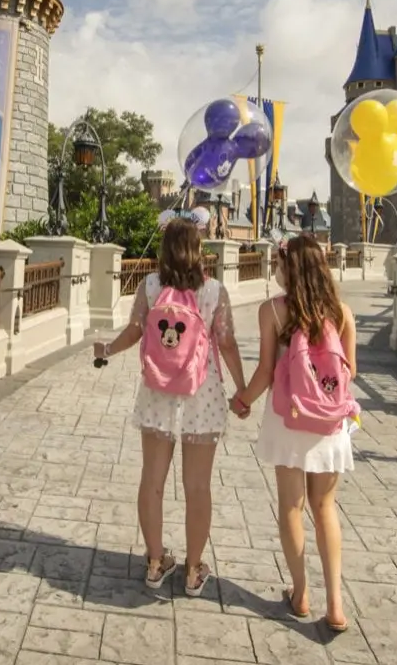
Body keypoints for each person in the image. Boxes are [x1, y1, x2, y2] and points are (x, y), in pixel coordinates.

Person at [93, 218, 246, 596]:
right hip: (202, 395)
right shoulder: (213, 292)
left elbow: (135, 330)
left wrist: (107, 350)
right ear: (198, 252)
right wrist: (243, 389)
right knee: (197, 486)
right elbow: (225, 343)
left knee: (152, 481)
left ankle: (155, 561)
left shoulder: (149, 287)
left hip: (158, 392)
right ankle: (194, 572)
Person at [231, 236, 357, 632]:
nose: (274, 269)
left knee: (291, 506)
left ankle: (300, 592)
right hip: (329, 423)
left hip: (289, 420)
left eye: (278, 263)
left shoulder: (272, 311)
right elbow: (350, 370)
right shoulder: (341, 313)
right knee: (325, 508)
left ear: (289, 268)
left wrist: (243, 400)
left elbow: (267, 371)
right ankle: (335, 604)